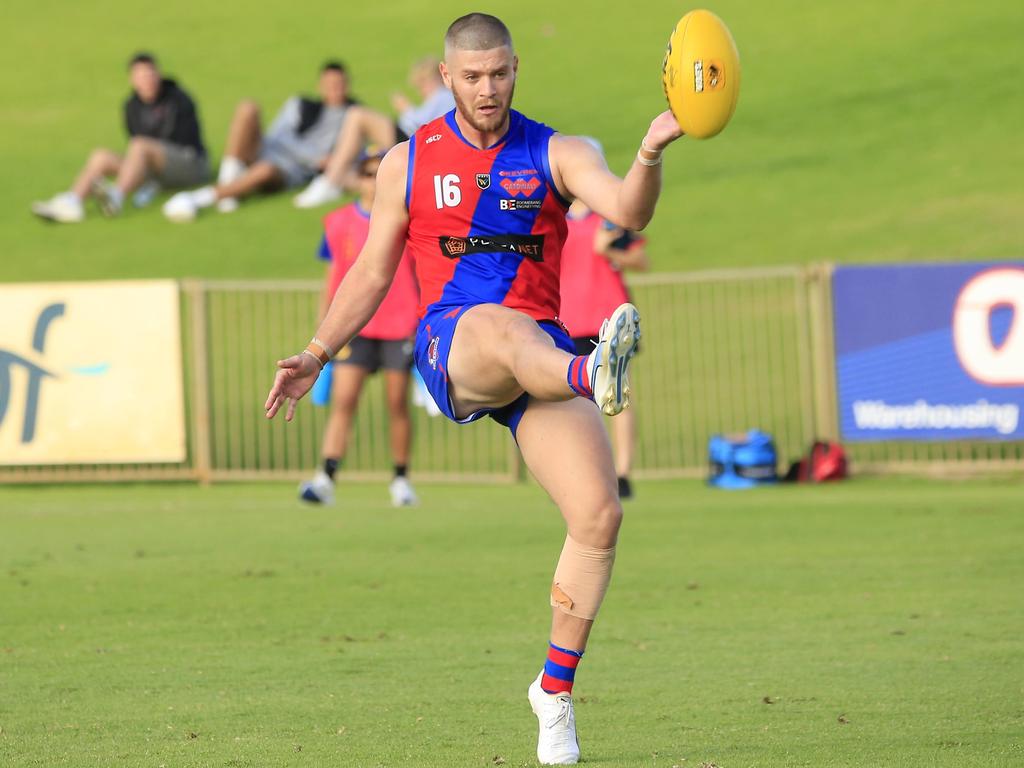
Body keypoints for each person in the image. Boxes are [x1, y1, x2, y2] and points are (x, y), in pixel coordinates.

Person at [264, 13, 682, 765]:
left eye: (500, 74)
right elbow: (371, 271)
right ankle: (595, 369)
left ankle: (553, 694)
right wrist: (318, 351)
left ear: (516, 68)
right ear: (446, 80)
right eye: (473, 77)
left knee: (597, 515)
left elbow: (628, 210)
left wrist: (649, 150)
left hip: (539, 355)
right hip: (456, 340)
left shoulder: (557, 151)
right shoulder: (408, 161)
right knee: (499, 324)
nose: (488, 89)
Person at [299, 150, 419, 508]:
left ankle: (400, 479)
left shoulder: (408, 219)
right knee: (344, 400)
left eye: (378, 172)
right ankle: (326, 477)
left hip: (399, 322)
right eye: (367, 173)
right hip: (355, 326)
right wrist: (323, 329)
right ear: (357, 178)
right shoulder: (337, 222)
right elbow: (332, 277)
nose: (372, 179)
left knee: (397, 403)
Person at [163, 61, 353, 221]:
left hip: (290, 171)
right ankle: (228, 186)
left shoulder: (352, 116)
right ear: (320, 85)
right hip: (270, 149)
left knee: (266, 169)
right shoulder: (302, 105)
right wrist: (315, 157)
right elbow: (279, 135)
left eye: (339, 83)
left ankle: (199, 198)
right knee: (248, 108)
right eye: (330, 83)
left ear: (347, 85)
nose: (335, 89)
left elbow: (348, 153)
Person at [31, 52, 208, 223]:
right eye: (141, 76)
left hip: (189, 164)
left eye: (150, 74)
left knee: (140, 145)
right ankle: (72, 201)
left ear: (158, 75)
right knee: (101, 156)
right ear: (132, 79)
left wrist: (148, 156)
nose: (147, 80)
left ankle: (116, 196)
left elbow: (180, 140)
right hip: (152, 170)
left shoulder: (178, 98)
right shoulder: (131, 106)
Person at [559, 178, 649, 500]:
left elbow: (641, 261)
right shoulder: (552, 216)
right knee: (576, 403)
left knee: (618, 394)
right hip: (568, 319)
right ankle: (583, 473)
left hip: (610, 318)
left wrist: (608, 249)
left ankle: (622, 474)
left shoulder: (610, 217)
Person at [293, 57, 455, 209]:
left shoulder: (442, 95)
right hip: (411, 140)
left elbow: (423, 125)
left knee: (357, 115)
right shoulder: (439, 97)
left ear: (437, 78)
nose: (422, 90)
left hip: (413, 140)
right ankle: (338, 180)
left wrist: (406, 108)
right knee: (364, 167)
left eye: (423, 84)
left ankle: (330, 181)